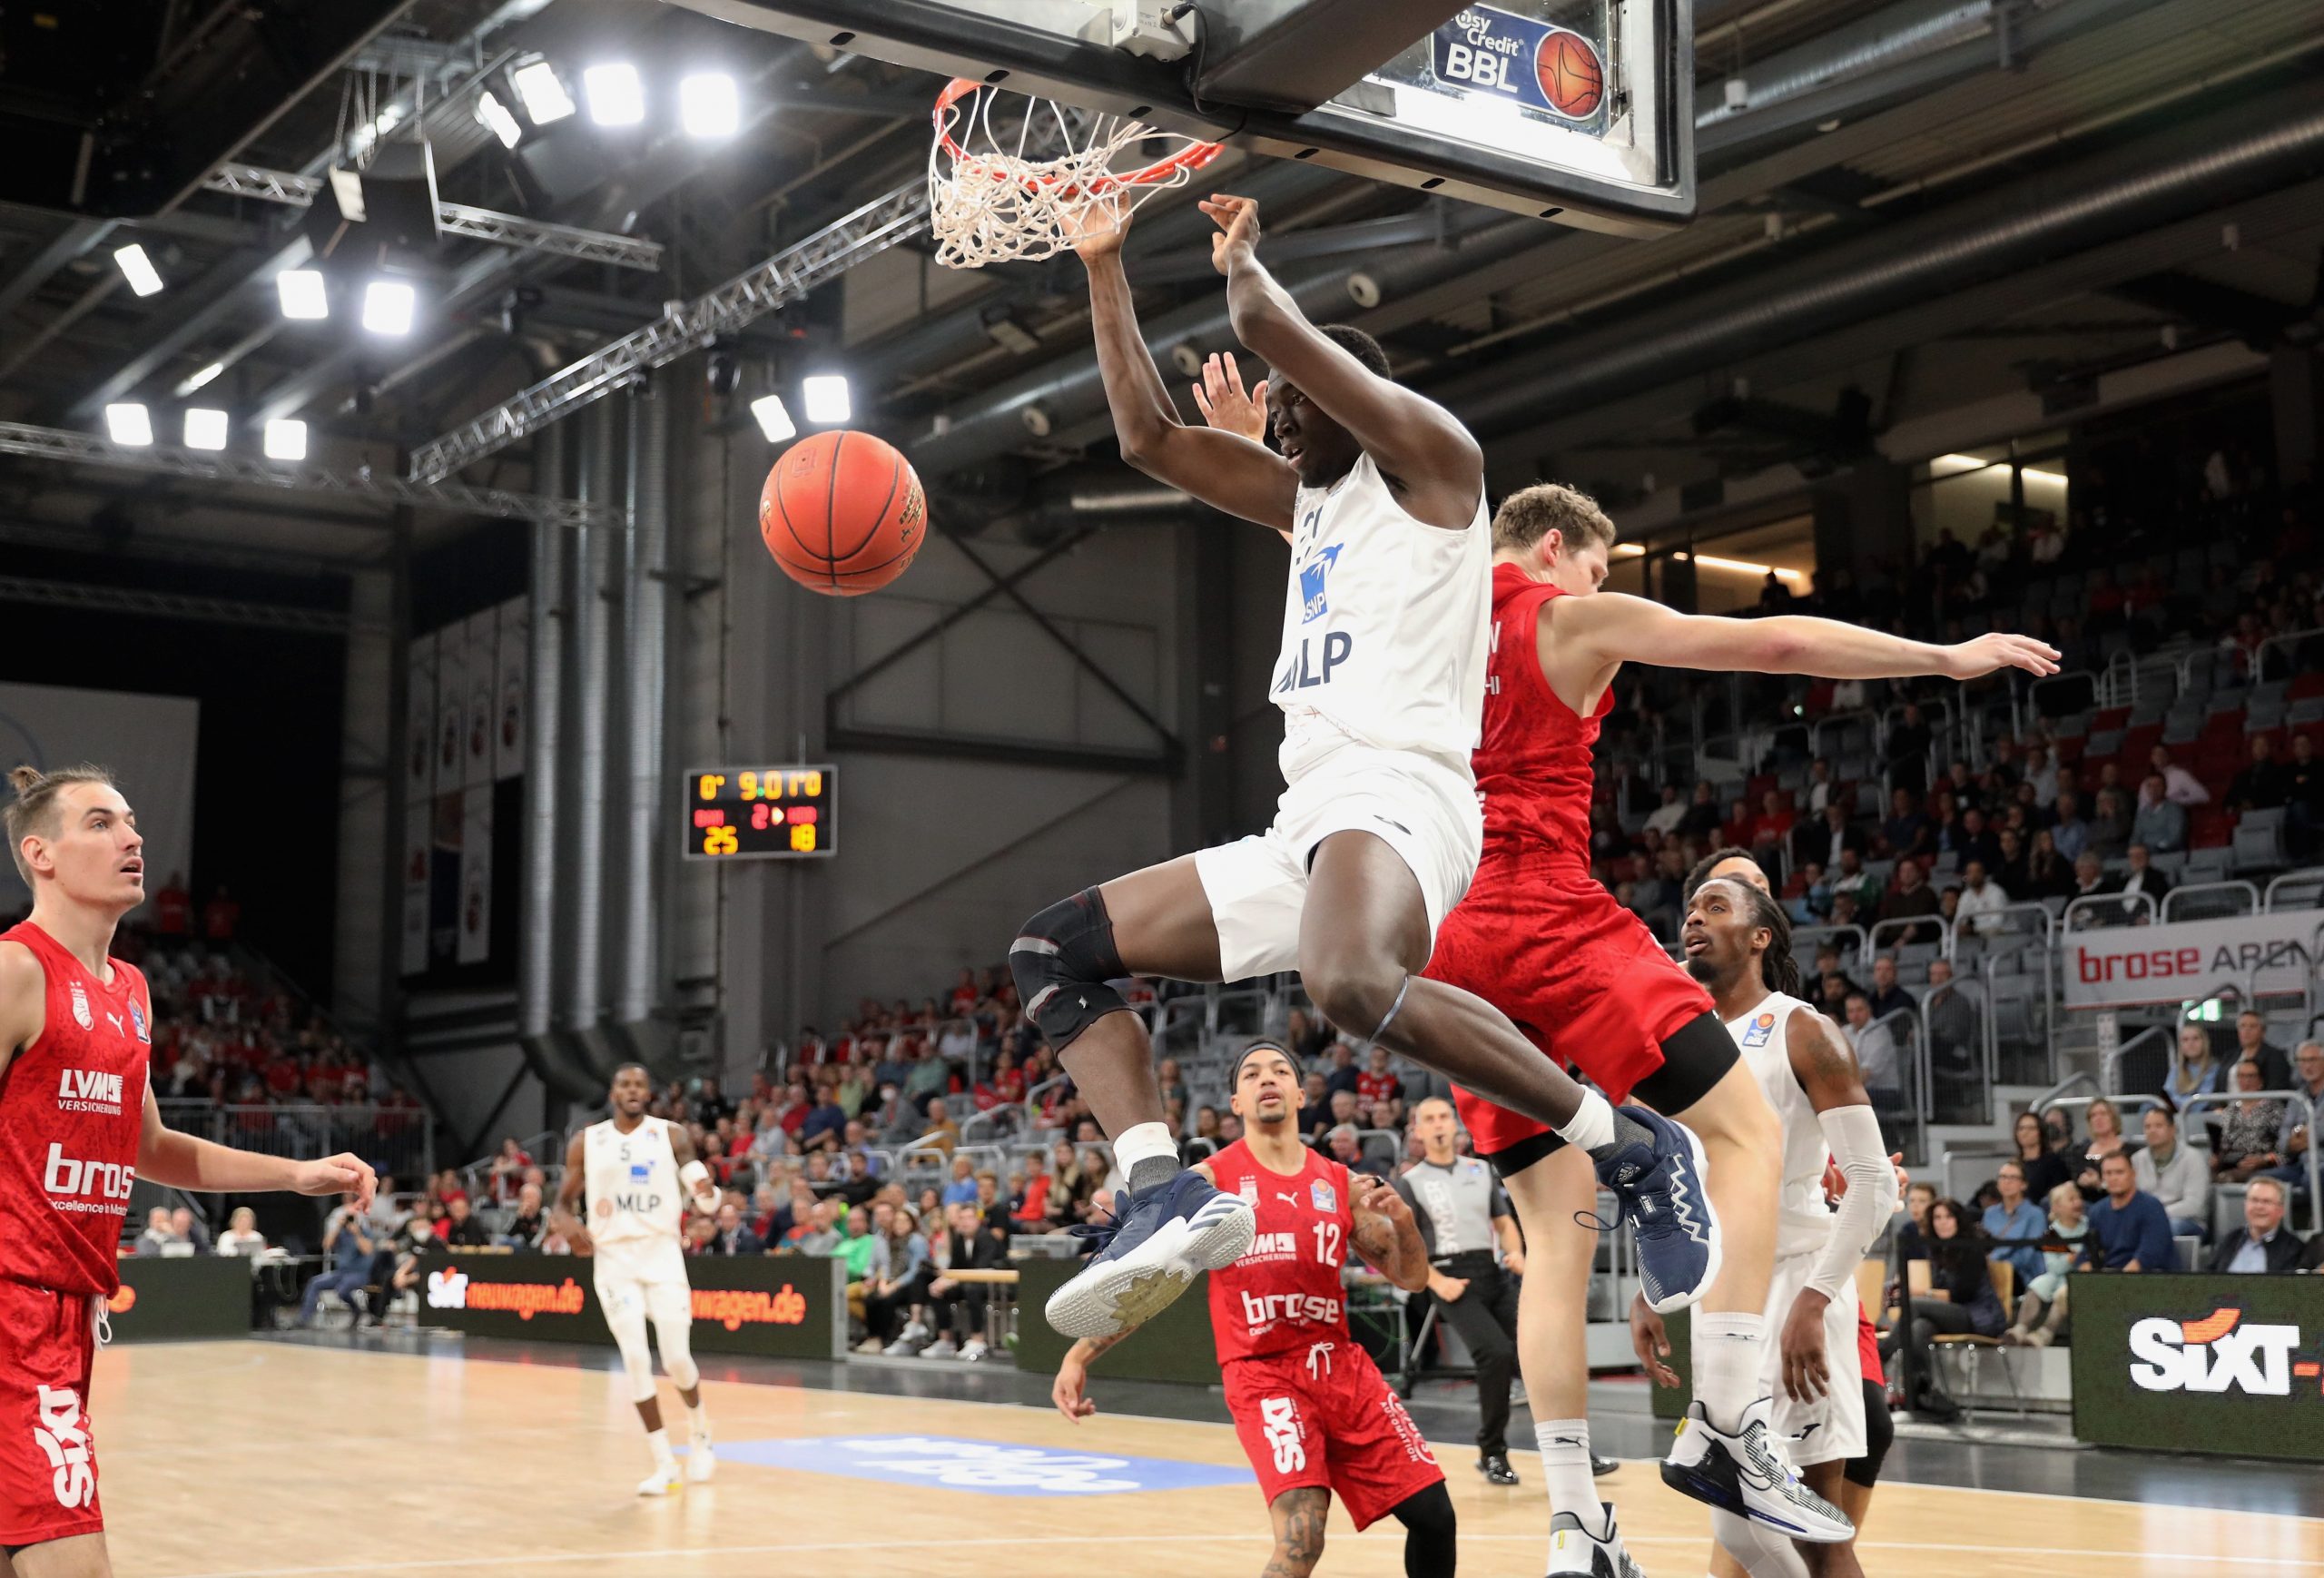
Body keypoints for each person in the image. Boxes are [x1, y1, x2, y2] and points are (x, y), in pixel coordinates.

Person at [1018, 192, 1708, 1351]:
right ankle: (1160, 1188)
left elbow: (1287, 340)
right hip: (1311, 823)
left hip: (1409, 800)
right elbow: (1145, 437)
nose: (1278, 429)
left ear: (1341, 392)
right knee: (1053, 949)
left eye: (1293, 407)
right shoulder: (1308, 502)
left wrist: (1249, 271)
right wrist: (1104, 262)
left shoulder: (1442, 472)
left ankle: (1630, 1140)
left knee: (1343, 981)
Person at [0, 764, 377, 1574]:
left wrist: (295, 1174)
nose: (132, 838)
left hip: (65, 1318)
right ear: (42, 854)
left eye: (132, 821)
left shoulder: (130, 991)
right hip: (11, 1313)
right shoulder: (15, 972)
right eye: (100, 824)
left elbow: (153, 1149)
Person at [1053, 1042, 1457, 1578]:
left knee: (1435, 1517)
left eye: (1280, 1070)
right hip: (1263, 1374)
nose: (1266, 1078)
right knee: (1301, 1539)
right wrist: (1079, 1356)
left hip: (1341, 1368)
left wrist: (1405, 1223)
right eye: (1251, 1073)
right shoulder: (1206, 1185)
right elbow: (1148, 1281)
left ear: (1298, 1090)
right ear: (1236, 1101)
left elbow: (1409, 1277)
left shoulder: (1338, 1183)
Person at [1632, 873, 1896, 1578]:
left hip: (1799, 1286)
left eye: (1715, 907)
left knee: (1818, 1528)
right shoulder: (1680, 1045)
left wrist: (1817, 1299)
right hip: (1723, 1296)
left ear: (1760, 936)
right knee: (1740, 1527)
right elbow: (1675, 1184)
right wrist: (1652, 1287)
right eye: (1688, 909)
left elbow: (1875, 1183)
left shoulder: (1803, 1029)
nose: (1693, 918)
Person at [552, 1062, 723, 1494]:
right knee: (634, 1357)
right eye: (624, 1084)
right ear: (613, 1093)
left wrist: (708, 1195)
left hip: (662, 1254)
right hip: (613, 1260)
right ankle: (664, 1462)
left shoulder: (671, 1134)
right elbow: (561, 1204)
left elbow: (703, 1191)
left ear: (648, 1094)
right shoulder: (588, 1141)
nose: (632, 1090)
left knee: (677, 1359)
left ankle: (700, 1432)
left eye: (640, 1085)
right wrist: (569, 1228)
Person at [1394, 1097, 1527, 1485]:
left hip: (1491, 1271)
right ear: (1417, 1131)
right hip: (1449, 1276)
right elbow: (1406, 1246)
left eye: (1444, 1117)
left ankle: (1575, 1446)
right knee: (1496, 1353)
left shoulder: (1480, 1170)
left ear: (1456, 1126)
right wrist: (1436, 1281)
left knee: (1538, 1351)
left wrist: (1515, 1252)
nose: (1438, 1125)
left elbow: (1503, 1222)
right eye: (1428, 1119)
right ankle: (1492, 1451)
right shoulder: (1410, 1182)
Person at [1877, 1198, 2002, 1417]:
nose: (1942, 1223)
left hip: (1976, 1315)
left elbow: (1963, 1294)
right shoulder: (1936, 1250)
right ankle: (1921, 1391)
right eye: (1937, 1218)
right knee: (1918, 1328)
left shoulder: (1971, 1248)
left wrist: (1923, 1293)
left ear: (1958, 1220)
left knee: (1914, 1304)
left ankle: (1882, 1355)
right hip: (1948, 1313)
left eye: (1948, 1217)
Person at [1999, 1182, 2088, 1347]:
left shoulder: (2087, 1225)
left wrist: (2074, 1258)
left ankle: (2046, 1332)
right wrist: (2070, 1258)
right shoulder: (2051, 1234)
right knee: (2037, 1285)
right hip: (2056, 1275)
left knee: (2063, 1292)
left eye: (2078, 1198)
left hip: (2078, 1276)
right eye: (2071, 1199)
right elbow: (2053, 1266)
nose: (2077, 1203)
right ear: (2057, 1207)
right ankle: (2020, 1328)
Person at [2079, 1151, 2177, 1272]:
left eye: (2119, 1172)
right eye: (2108, 1173)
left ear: (2133, 1174)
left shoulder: (2151, 1207)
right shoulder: (2097, 1211)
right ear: (2102, 1177)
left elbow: (2148, 1255)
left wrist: (2118, 1283)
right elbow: (2085, 1254)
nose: (2113, 1178)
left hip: (2148, 1279)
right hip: (2108, 1278)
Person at [2132, 1104, 2209, 1239]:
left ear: (2172, 1129)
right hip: (2147, 1219)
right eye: (2147, 1127)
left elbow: (2194, 1205)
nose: (2152, 1131)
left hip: (2187, 1220)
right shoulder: (2136, 1159)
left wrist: (2156, 1214)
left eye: (2158, 1126)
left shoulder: (2193, 1158)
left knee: (2166, 1228)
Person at [2206, 1177, 2307, 1273]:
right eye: (2254, 1200)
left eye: (2266, 1202)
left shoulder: (2293, 1248)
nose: (2259, 1207)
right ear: (2245, 1205)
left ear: (2280, 1210)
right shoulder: (2230, 1239)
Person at [2214, 1056, 2290, 1180]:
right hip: (2232, 1162)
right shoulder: (2230, 1111)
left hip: (2262, 1166)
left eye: (2251, 1076)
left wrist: (2263, 1160)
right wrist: (2217, 1158)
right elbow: (2223, 1146)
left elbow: (2285, 1149)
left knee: (2228, 1178)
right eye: (2242, 1076)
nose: (2246, 1081)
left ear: (2260, 1080)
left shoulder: (2274, 1109)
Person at [1981, 1161, 2047, 1287]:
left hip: (2020, 1274)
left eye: (2013, 1178)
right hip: (1990, 1272)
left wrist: (1996, 1264)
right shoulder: (1990, 1213)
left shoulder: (2035, 1214)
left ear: (2023, 1184)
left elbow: (2028, 1253)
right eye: (2003, 1177)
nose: (2007, 1182)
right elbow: (1984, 1246)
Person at [2072, 1098, 2135, 1199]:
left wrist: (2100, 1185)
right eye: (2093, 1115)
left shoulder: (2129, 1151)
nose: (2098, 1119)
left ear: (2113, 1118)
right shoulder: (2081, 1151)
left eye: (2103, 1114)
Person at [2007, 1110, 2071, 1203]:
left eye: (2031, 1128)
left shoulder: (2053, 1162)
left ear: (2040, 1132)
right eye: (2021, 1128)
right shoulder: (2013, 1164)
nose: (2025, 1133)